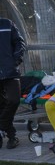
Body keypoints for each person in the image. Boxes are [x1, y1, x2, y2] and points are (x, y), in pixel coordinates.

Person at [0, 17, 26, 149]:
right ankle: (12, 136)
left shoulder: (7, 23)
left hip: (10, 71)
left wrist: (15, 61)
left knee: (14, 100)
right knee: (1, 105)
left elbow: (19, 43)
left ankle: (1, 127)